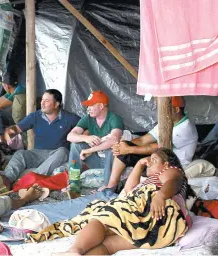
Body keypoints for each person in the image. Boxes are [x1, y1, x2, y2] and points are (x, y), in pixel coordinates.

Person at [48, 148, 193, 255]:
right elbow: (129, 190)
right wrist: (139, 164)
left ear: (167, 164)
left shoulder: (172, 171)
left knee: (101, 219)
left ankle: (73, 251)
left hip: (153, 214)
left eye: (154, 160)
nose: (149, 162)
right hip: (159, 229)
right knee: (107, 246)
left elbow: (174, 181)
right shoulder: (152, 179)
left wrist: (160, 196)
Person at [98, 96, 198, 192]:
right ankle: (111, 185)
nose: (161, 112)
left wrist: (128, 149)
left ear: (176, 110)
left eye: (165, 109)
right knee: (122, 148)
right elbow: (143, 140)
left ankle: (113, 188)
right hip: (159, 158)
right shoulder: (167, 122)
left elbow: (160, 147)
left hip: (172, 163)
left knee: (127, 153)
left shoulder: (185, 128)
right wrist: (123, 146)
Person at [0, 89, 80, 191]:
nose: (42, 103)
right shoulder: (36, 116)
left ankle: (32, 179)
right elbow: (16, 128)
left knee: (63, 151)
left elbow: (86, 126)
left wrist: (82, 136)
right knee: (20, 154)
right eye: (42, 100)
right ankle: (7, 180)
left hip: (57, 155)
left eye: (46, 101)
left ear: (56, 104)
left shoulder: (69, 117)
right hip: (38, 154)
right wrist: (9, 132)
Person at [67, 91, 124, 184]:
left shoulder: (114, 118)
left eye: (91, 105)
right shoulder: (88, 118)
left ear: (101, 106)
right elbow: (70, 136)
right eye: (87, 106)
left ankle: (108, 186)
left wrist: (90, 150)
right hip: (96, 160)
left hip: (112, 163)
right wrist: (86, 138)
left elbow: (114, 140)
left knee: (112, 149)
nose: (88, 109)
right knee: (75, 145)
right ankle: (74, 183)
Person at [0, 73, 26, 142]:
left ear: (6, 86)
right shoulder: (13, 90)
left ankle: (1, 139)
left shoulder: (19, 90)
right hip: (16, 116)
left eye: (3, 84)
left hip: (21, 119)